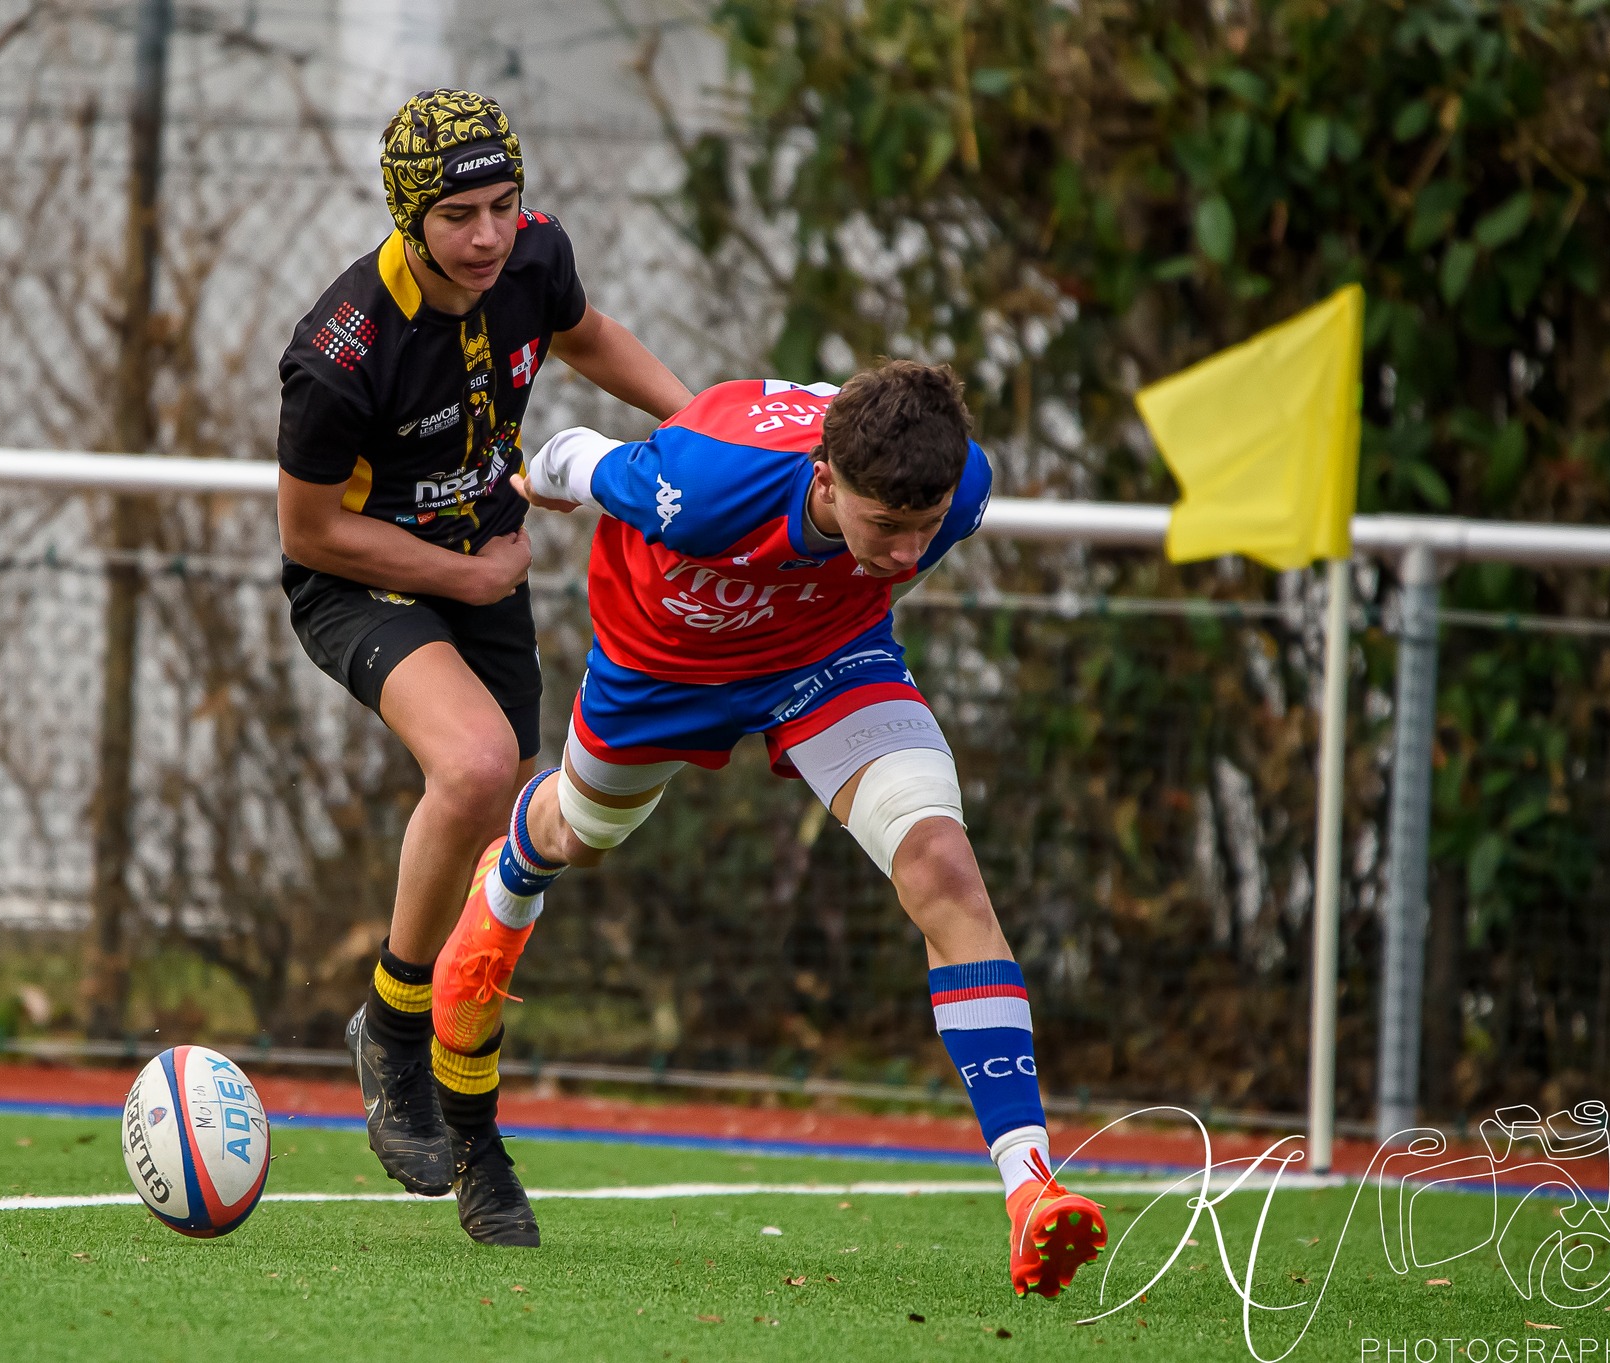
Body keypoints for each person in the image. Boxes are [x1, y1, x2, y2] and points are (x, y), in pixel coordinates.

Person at [430, 361, 1108, 1296]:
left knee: (942, 867)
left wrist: (879, 553)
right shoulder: (708, 481)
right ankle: (511, 869)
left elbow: (907, 534)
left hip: (826, 659)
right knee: (580, 831)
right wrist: (530, 483)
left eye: (925, 527)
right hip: (659, 667)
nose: (910, 553)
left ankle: (1031, 1186)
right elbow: (574, 457)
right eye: (885, 527)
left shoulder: (962, 485)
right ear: (825, 479)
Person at [274, 88, 692, 1247]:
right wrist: (462, 577)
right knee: (470, 768)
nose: (489, 235)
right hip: (361, 582)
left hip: (482, 571)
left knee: (519, 849)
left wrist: (701, 421)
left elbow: (586, 335)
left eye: (503, 205)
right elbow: (308, 534)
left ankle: (473, 1137)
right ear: (407, 216)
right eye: (459, 213)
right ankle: (392, 1030)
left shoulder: (531, 258)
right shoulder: (336, 352)